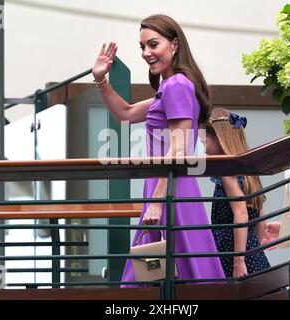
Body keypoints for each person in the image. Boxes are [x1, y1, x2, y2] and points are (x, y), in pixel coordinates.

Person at [91, 14, 225, 286]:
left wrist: (156, 201)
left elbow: (177, 148)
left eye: (153, 44)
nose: (146, 53)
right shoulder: (170, 86)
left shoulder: (177, 85)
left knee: (154, 277)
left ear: (174, 45)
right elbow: (125, 113)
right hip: (169, 185)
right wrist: (100, 79)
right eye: (142, 47)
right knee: (175, 272)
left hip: (168, 187)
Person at [201, 108, 270, 278]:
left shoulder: (227, 173)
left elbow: (241, 213)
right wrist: (255, 250)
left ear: (219, 139)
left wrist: (238, 261)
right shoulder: (249, 172)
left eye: (205, 142)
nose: (204, 150)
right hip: (252, 249)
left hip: (230, 250)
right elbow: (260, 216)